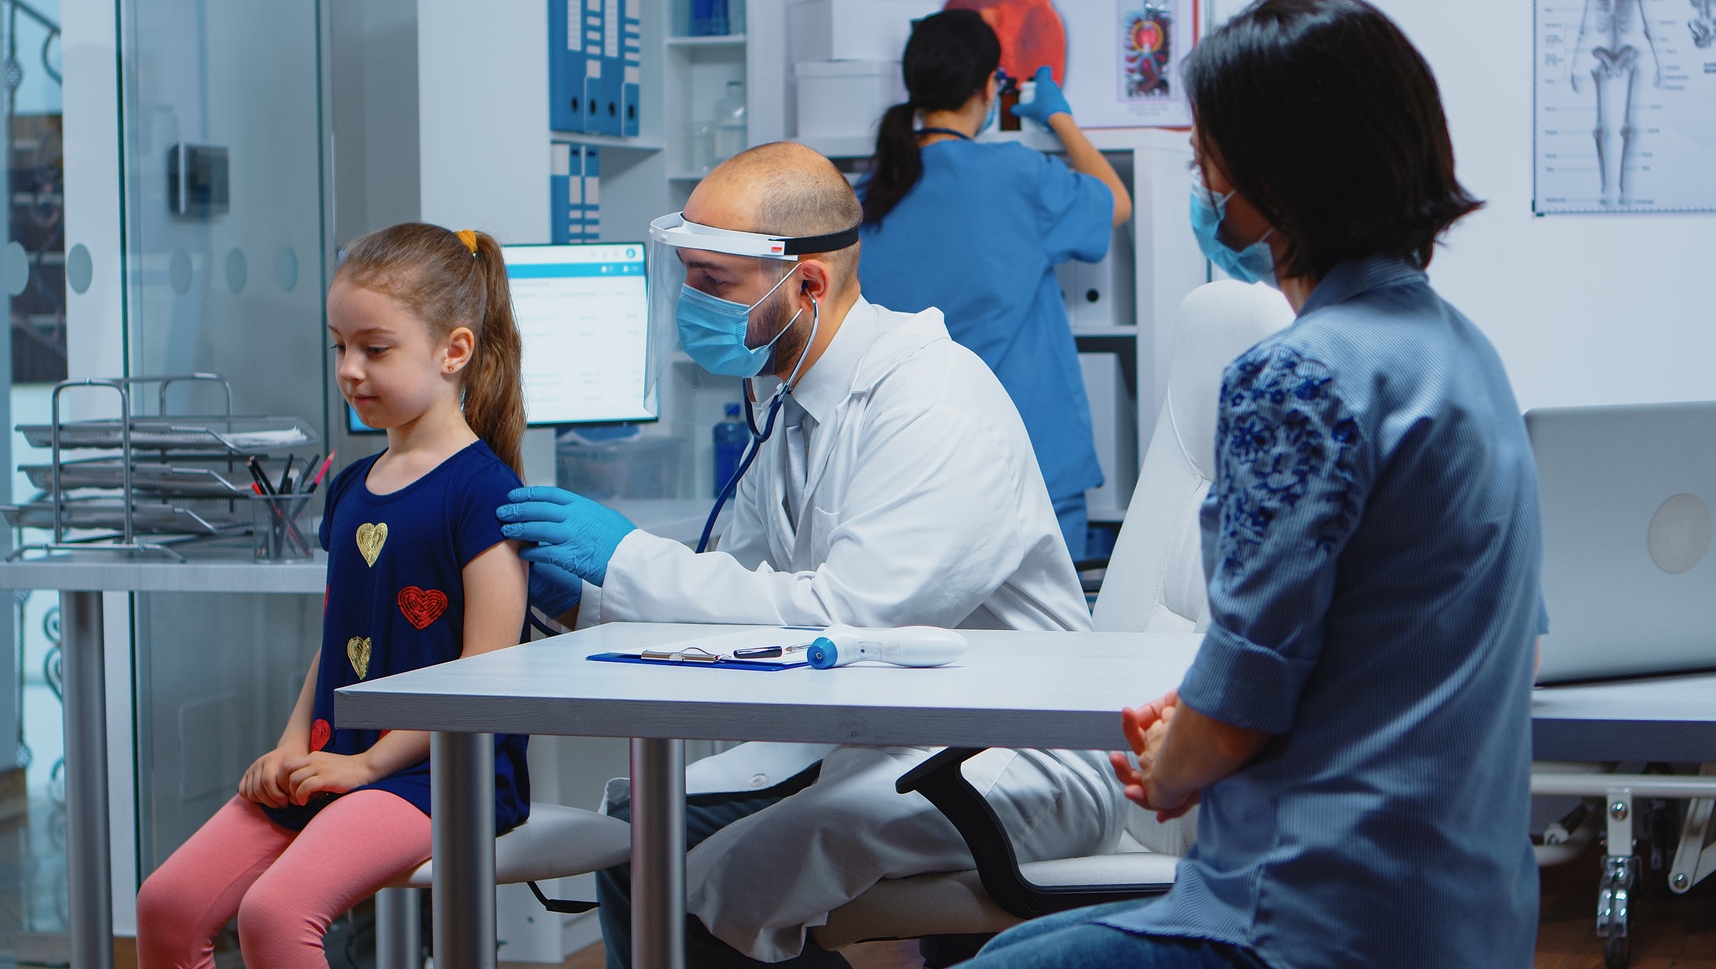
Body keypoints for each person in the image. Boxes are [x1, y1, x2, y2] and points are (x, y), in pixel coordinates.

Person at [967, 0, 1546, 968]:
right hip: (1464, 915)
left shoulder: (1297, 375)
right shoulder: (1464, 355)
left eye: (1205, 165)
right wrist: (1199, 718)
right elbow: (1461, 645)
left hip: (1307, 917)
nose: (1203, 191)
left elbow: (1239, 707)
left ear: (1275, 180)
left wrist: (1173, 754)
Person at [496, 142, 1123, 969]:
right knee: (635, 846)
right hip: (885, 739)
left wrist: (626, 557)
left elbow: (851, 617)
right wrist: (583, 599)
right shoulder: (786, 401)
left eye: (714, 283)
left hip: (1008, 755)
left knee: (718, 886)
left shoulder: (932, 402)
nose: (692, 302)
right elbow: (739, 592)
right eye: (688, 275)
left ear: (809, 284)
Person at [136, 224, 532, 969]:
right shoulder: (353, 485)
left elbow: (484, 682)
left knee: (276, 912)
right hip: (337, 757)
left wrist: (371, 766)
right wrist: (291, 746)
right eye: (339, 346)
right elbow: (342, 638)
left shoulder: (486, 494)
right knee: (167, 903)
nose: (349, 370)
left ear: (454, 350)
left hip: (438, 774)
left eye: (374, 349)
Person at [857, 8, 1133, 560]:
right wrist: (1059, 120)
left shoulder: (868, 195)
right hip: (1027, 455)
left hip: (910, 463)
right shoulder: (1016, 174)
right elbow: (1116, 204)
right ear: (989, 86)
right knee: (1050, 643)